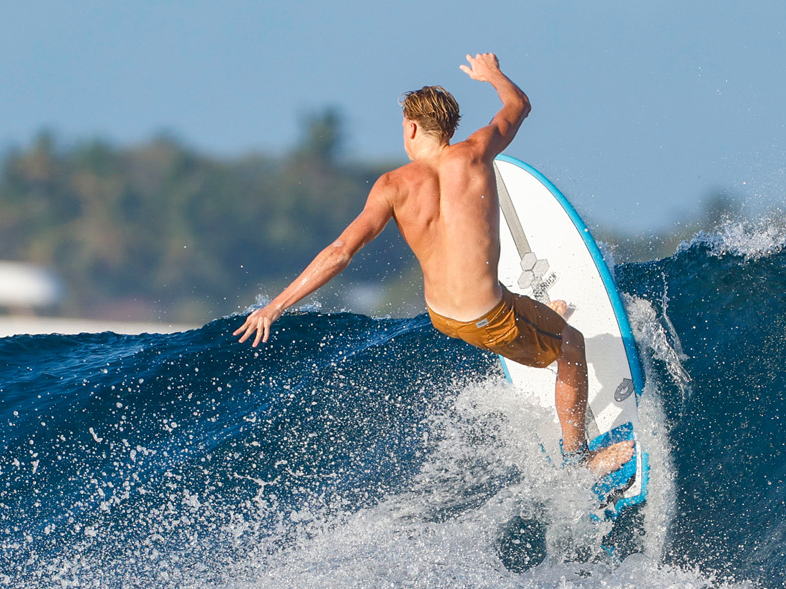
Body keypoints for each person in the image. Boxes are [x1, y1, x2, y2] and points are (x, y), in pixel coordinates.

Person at [234, 52, 634, 477]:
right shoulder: (477, 152)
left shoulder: (391, 186)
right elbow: (518, 106)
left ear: (410, 127)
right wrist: (492, 74)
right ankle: (580, 460)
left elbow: (340, 252)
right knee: (572, 346)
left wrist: (275, 306)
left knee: (508, 304)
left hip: (442, 316)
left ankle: (535, 321)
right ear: (450, 128)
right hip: (487, 316)